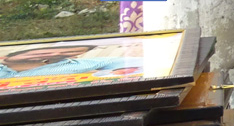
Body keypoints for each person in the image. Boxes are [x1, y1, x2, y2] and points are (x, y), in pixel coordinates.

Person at [0, 44, 143, 79]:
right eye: (43, 52)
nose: (56, 53)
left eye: (66, 53)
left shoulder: (84, 66)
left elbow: (142, 64)